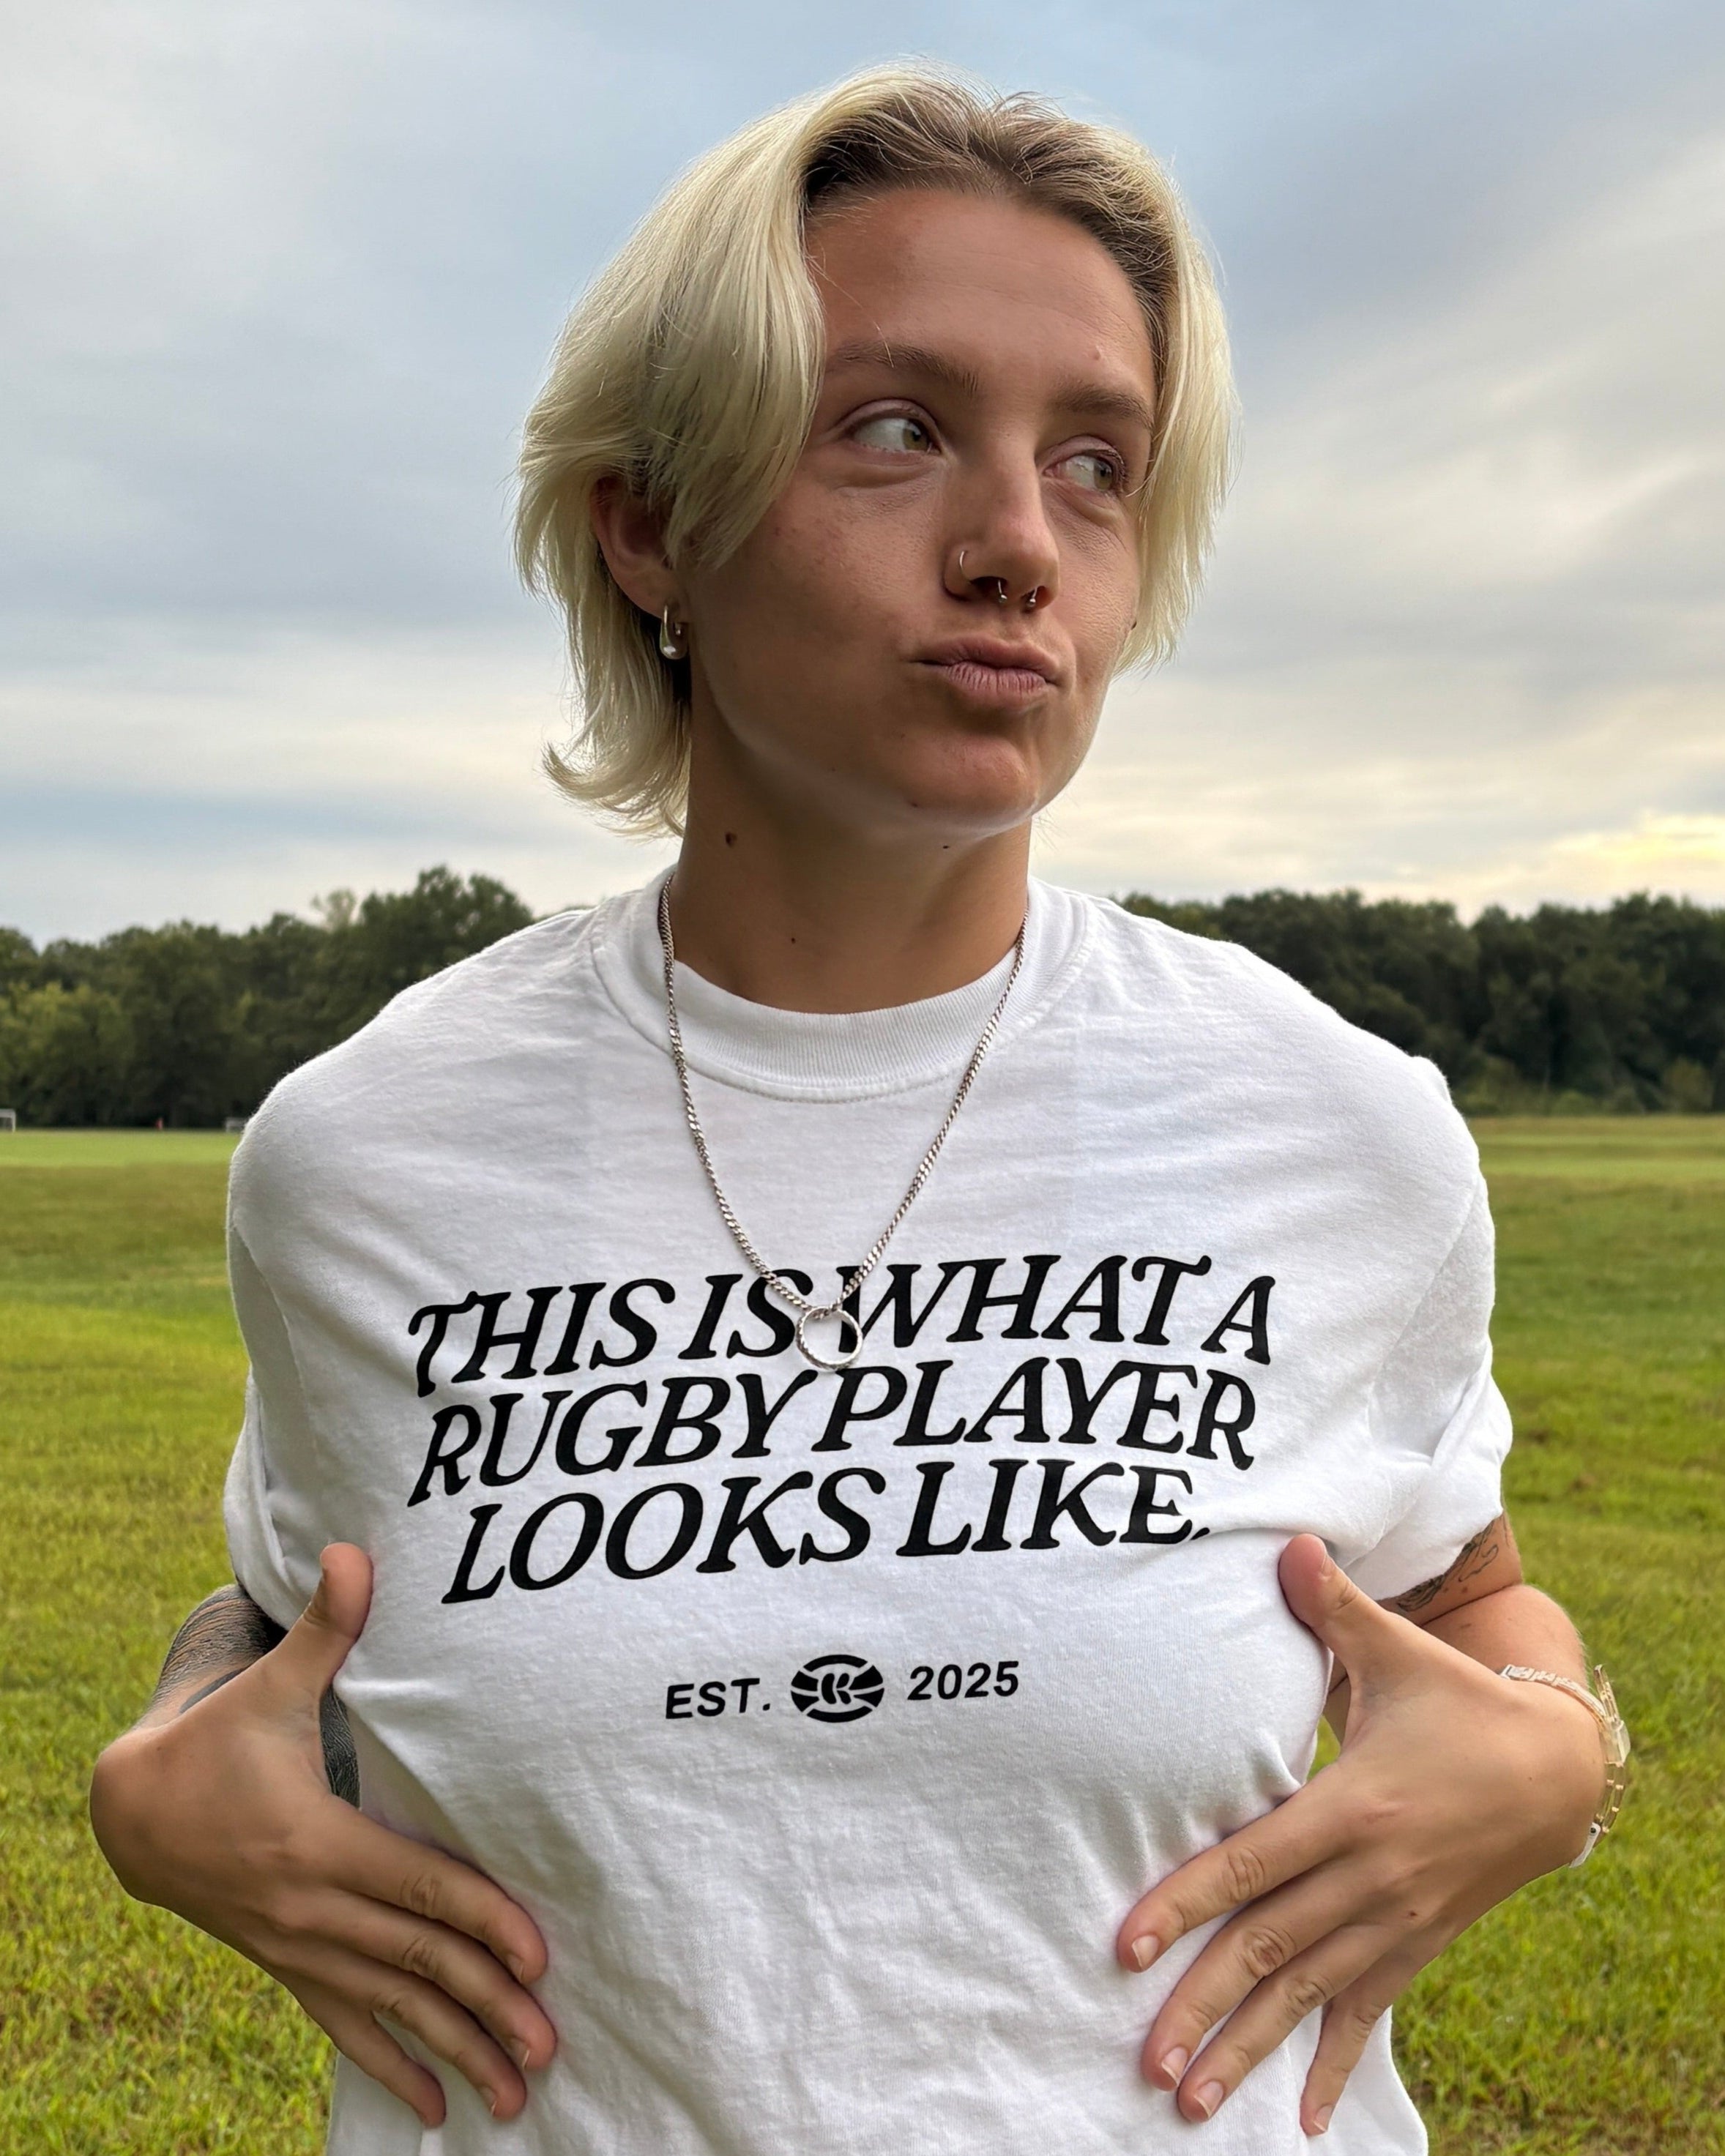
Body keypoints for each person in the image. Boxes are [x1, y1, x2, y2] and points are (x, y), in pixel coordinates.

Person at [89, 64, 1626, 2156]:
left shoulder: (1334, 1127)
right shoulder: (363, 1159)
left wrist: (1550, 1744)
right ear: (652, 521)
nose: (1017, 547)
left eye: (1095, 464)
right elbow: (298, 1605)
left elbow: (1461, 1595)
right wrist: (167, 1765)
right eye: (895, 430)